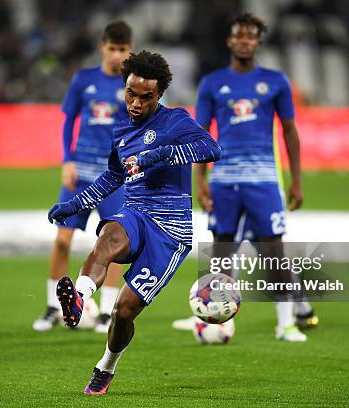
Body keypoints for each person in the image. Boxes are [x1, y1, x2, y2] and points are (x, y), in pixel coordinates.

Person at [48, 50, 221, 395]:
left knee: (123, 311)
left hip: (171, 231)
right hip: (136, 212)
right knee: (108, 238)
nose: (136, 104)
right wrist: (75, 204)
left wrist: (161, 154)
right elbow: (114, 175)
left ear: (159, 96)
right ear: (124, 88)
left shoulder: (176, 120)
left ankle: (106, 365)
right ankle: (79, 299)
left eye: (146, 97)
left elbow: (211, 148)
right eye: (131, 94)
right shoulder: (122, 129)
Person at [172, 12, 318, 341]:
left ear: (258, 42)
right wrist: (201, 182)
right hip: (223, 180)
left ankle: (286, 324)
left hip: (264, 179)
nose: (244, 40)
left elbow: (290, 132)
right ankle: (219, 320)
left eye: (250, 36)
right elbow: (201, 135)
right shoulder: (211, 83)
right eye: (238, 35)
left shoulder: (276, 81)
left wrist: (296, 181)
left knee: (273, 252)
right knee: (222, 251)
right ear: (229, 40)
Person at [33, 22, 132, 334]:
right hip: (81, 173)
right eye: (112, 48)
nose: (117, 54)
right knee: (62, 239)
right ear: (102, 46)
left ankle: (107, 312)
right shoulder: (84, 80)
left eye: (123, 49)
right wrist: (67, 159)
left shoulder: (133, 84)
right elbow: (68, 122)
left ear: (129, 50)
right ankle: (52, 307)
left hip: (113, 176)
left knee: (114, 242)